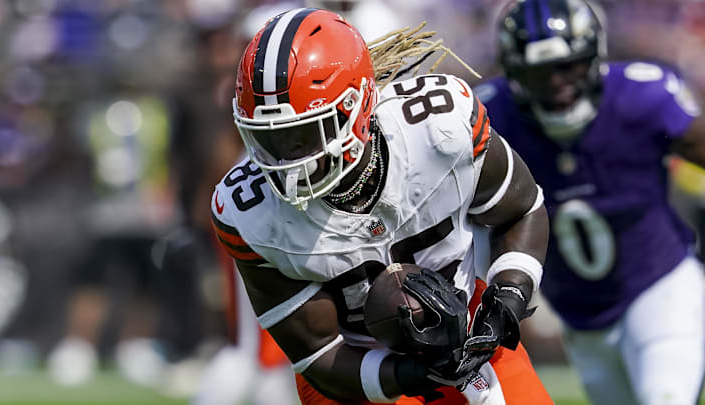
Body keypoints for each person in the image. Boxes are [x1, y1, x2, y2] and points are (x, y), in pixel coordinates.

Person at [211, 8, 553, 405]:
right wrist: (407, 374)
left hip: (466, 323)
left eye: (304, 134)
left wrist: (508, 298)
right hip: (356, 367)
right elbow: (318, 353)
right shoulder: (248, 213)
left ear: (356, 109)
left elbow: (521, 208)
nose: (287, 163)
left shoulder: (438, 130)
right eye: (270, 140)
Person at [475, 0, 705, 404]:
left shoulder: (641, 96)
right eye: (539, 74)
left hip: (660, 287)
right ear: (514, 74)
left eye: (569, 66)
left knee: (665, 396)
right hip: (581, 319)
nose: (557, 84)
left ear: (594, 57)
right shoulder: (494, 118)